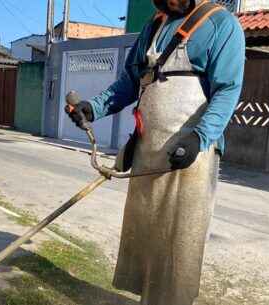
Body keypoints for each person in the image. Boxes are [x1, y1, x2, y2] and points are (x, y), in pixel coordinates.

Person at [64, 0, 245, 304]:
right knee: (146, 233)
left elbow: (228, 90)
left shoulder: (222, 25)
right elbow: (130, 83)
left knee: (179, 243)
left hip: (190, 157)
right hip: (147, 150)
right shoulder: (153, 25)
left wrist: (199, 138)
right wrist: (92, 108)